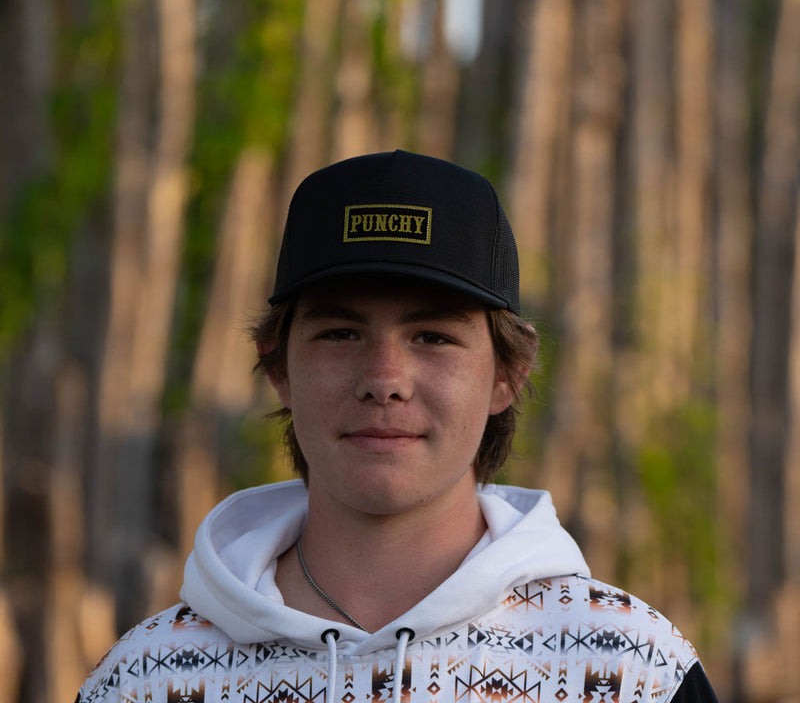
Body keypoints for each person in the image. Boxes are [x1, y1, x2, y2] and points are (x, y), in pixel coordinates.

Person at [77, 150, 718, 702]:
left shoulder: (629, 672)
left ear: (507, 375)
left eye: (433, 336)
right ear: (278, 370)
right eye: (340, 332)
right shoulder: (146, 678)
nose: (384, 378)